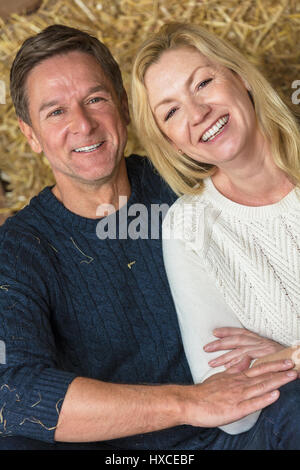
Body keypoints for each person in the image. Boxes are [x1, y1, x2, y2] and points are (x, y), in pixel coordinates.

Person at [0, 24, 298, 452]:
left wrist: (286, 352)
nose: (83, 125)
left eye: (95, 99)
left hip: (242, 432)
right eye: (56, 112)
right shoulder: (21, 249)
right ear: (29, 135)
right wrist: (186, 403)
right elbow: (12, 393)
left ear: (123, 107)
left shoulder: (190, 174)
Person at [131, 21, 300, 437]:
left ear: (239, 77)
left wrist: (287, 357)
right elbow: (233, 412)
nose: (198, 113)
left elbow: (256, 379)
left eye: (203, 83)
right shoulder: (189, 228)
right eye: (171, 111)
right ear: (172, 142)